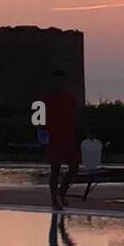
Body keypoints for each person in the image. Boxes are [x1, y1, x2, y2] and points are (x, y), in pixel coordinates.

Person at [44, 68, 79, 209]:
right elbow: (38, 121)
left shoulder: (70, 98)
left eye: (60, 81)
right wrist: (43, 139)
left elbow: (75, 117)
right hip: (53, 138)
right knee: (55, 169)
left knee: (74, 167)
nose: (57, 83)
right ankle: (54, 200)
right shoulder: (45, 100)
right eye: (55, 81)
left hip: (68, 137)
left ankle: (62, 191)